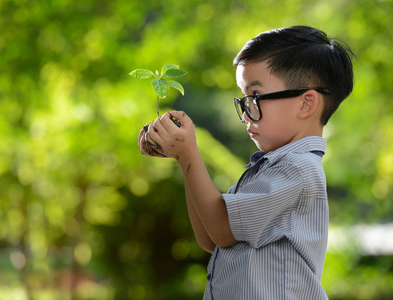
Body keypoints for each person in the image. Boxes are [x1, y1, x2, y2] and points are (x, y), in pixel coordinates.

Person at [138, 25, 354, 299]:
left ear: (306, 104)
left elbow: (221, 229)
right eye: (243, 99)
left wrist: (189, 154)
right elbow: (210, 238)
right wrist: (183, 160)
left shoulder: (296, 170)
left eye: (255, 98)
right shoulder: (270, 166)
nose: (246, 114)